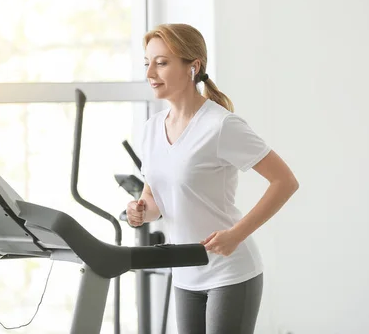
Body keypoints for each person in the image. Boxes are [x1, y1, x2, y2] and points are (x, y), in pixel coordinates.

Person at [126, 23, 299, 334]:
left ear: (193, 67)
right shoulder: (151, 128)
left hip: (229, 274)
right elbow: (154, 200)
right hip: (184, 274)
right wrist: (140, 210)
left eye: (162, 62)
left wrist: (236, 234)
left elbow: (285, 182)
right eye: (147, 62)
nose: (150, 72)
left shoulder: (220, 125)